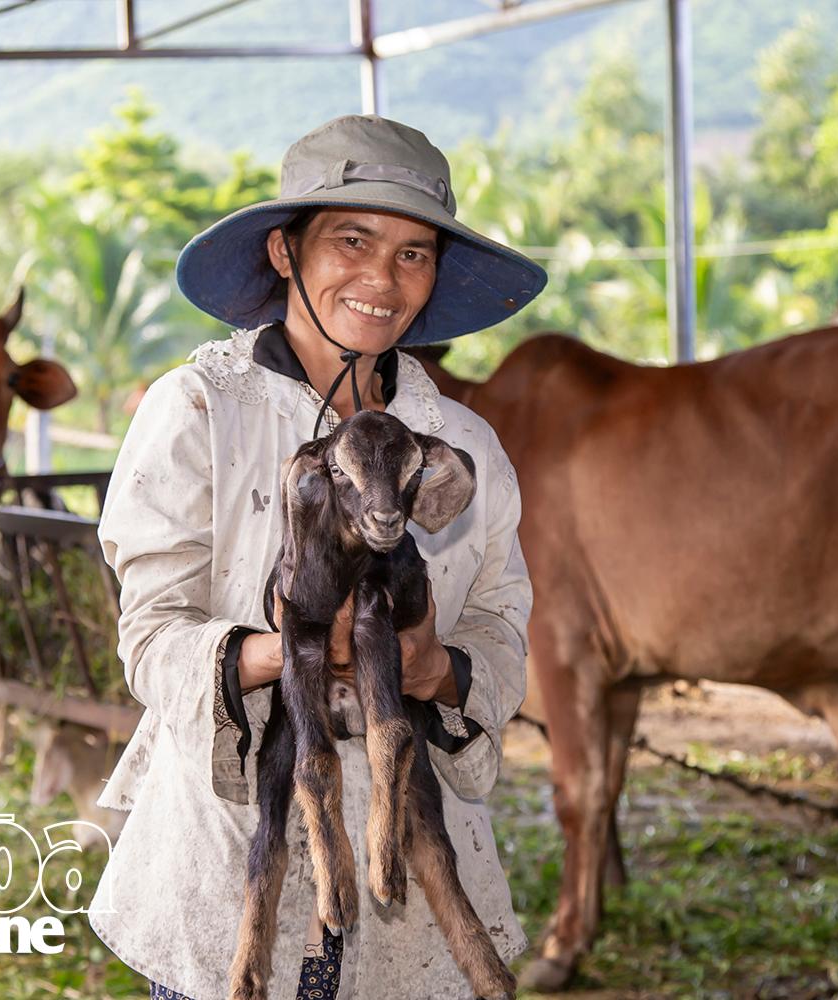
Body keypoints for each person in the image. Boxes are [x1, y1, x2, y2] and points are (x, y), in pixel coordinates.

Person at [88, 114, 546, 1000]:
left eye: (415, 253)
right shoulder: (197, 411)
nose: (383, 276)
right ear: (285, 252)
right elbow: (150, 635)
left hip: (410, 902)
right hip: (226, 872)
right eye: (352, 239)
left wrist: (436, 668)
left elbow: (500, 625)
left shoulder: (460, 444)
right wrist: (290, 652)